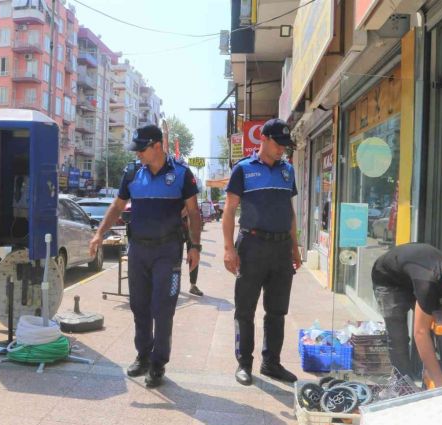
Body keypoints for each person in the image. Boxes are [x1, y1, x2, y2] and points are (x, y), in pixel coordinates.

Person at [89, 124, 202, 388]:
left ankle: (158, 363)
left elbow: (194, 213)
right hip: (138, 250)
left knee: (163, 309)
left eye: (142, 149)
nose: (138, 154)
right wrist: (100, 234)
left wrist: (194, 246)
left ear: (157, 147)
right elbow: (117, 207)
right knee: (139, 306)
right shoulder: (131, 173)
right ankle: (143, 355)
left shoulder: (182, 174)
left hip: (168, 252)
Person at [222, 118, 301, 386]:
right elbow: (230, 210)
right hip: (252, 246)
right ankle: (244, 364)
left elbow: (289, 212)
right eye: (278, 144)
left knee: (277, 311)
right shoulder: (243, 169)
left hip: (281, 250)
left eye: (285, 146)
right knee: (245, 309)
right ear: (264, 140)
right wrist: (229, 248)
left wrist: (295, 247)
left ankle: (272, 363)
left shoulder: (288, 171)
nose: (282, 150)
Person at [371, 243, 442, 387]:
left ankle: (429, 371)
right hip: (388, 278)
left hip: (413, 275)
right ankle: (403, 384)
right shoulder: (428, 284)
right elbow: (420, 332)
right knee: (398, 335)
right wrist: (440, 381)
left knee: (437, 322)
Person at [181, 207, 203, 296]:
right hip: (175, 227)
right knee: (175, 257)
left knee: (194, 256)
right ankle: (174, 284)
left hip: (190, 226)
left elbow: (192, 209)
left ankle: (193, 285)